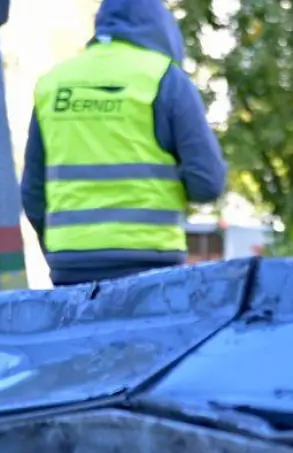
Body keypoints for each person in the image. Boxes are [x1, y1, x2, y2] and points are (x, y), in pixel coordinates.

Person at [20, 0, 226, 286]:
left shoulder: (53, 84)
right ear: (163, 28)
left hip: (71, 265)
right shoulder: (165, 79)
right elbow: (208, 182)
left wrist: (60, 249)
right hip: (150, 265)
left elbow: (32, 193)